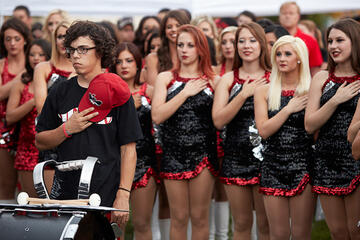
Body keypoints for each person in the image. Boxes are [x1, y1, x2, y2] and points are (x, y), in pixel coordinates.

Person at [35, 21, 142, 228]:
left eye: (83, 49)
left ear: (100, 51)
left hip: (106, 191)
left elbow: (128, 148)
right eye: (72, 49)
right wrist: (66, 129)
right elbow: (40, 141)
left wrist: (123, 194)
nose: (75, 55)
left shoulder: (118, 92)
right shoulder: (60, 91)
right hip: (65, 191)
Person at [152, 24, 218, 240]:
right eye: (180, 45)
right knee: (178, 217)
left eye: (190, 45)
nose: (184, 49)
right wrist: (184, 93)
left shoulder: (213, 80)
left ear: (201, 48)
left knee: (200, 217)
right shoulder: (165, 78)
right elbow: (157, 116)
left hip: (204, 155)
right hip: (173, 153)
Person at [212, 22, 271, 240]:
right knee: (242, 223)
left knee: (265, 224)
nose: (247, 45)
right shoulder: (228, 79)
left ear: (262, 44)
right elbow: (218, 120)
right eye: (242, 41)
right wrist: (243, 93)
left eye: (252, 40)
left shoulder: (274, 76)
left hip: (267, 160)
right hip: (235, 158)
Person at [254, 35, 315, 239]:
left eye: (287, 54)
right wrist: (288, 109)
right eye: (278, 54)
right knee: (278, 234)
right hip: (272, 165)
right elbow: (263, 130)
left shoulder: (312, 90)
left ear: (299, 58)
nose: (281, 58)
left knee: (301, 234)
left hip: (304, 165)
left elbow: (314, 130)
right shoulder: (263, 91)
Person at [305, 18, 360, 240]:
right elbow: (309, 125)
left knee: (355, 230)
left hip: (355, 158)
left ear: (355, 42)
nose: (333, 46)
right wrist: (336, 100)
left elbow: (353, 133)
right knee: (337, 232)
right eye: (330, 41)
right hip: (326, 159)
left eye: (340, 40)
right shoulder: (321, 77)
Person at [111, 42, 158, 239]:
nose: (124, 65)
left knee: (141, 223)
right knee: (114, 224)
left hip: (144, 164)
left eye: (129, 60)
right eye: (119, 61)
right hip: (114, 165)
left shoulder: (150, 91)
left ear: (138, 64)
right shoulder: (106, 95)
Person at [6, 39, 51, 198]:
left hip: (49, 149)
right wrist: (34, 101)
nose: (36, 58)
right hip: (26, 149)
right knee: (30, 204)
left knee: (49, 206)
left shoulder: (55, 80)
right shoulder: (22, 80)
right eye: (32, 54)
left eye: (41, 54)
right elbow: (9, 117)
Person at [0, 17, 31, 203]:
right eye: (7, 39)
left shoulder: (34, 62)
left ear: (25, 39)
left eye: (17, 38)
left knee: (29, 190)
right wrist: (20, 79)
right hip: (3, 129)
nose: (12, 43)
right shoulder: (2, 65)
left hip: (28, 130)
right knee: (5, 185)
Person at [34, 21, 74, 114]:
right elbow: (41, 109)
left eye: (67, 36)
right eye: (60, 36)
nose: (64, 40)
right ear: (55, 40)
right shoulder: (42, 68)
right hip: (51, 125)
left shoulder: (83, 69)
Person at [145, 10, 190, 86]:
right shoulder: (153, 59)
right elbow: (152, 92)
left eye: (178, 25)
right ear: (164, 32)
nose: (174, 29)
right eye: (169, 27)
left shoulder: (194, 58)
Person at [279, 1, 322, 76]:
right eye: (284, 13)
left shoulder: (310, 40)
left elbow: (315, 70)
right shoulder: (273, 38)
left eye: (291, 13)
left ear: (298, 16)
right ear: (279, 16)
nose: (287, 16)